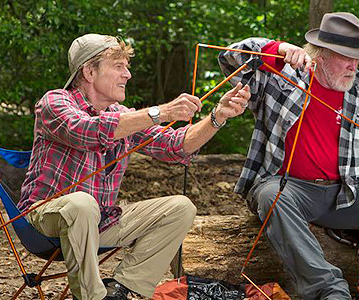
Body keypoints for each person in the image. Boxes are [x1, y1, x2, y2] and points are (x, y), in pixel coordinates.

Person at [218, 12, 359, 300]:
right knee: (272, 195)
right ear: (321, 55)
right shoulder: (281, 79)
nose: (354, 65)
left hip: (347, 192)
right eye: (346, 56)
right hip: (290, 188)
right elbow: (229, 57)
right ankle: (329, 291)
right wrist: (279, 49)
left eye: (357, 57)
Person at [18, 33, 251, 300]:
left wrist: (217, 117)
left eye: (126, 67)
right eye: (118, 66)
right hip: (48, 219)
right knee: (82, 204)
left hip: (103, 221)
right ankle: (92, 297)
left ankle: (121, 289)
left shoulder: (123, 114)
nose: (127, 74)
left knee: (180, 208)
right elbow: (86, 131)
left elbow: (175, 146)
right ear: (89, 71)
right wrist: (160, 112)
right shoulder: (55, 102)